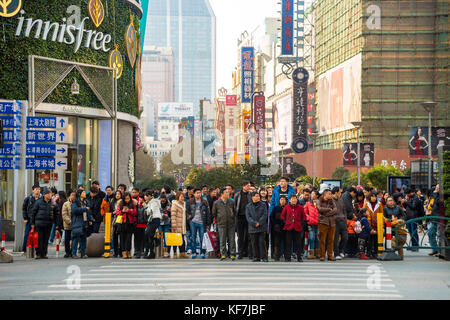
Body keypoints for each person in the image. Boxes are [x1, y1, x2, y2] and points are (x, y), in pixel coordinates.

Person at [186, 188, 212, 259]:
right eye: (197, 193)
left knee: (202, 238)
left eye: (199, 193)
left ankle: (202, 252)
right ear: (194, 194)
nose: (198, 194)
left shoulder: (205, 202)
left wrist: (208, 224)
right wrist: (189, 220)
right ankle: (194, 252)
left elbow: (208, 213)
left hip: (202, 223)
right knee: (193, 238)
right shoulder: (189, 202)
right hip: (193, 222)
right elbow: (187, 212)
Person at [281, 194, 307, 262]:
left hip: (297, 228)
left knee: (298, 243)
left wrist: (301, 223)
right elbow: (282, 216)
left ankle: (299, 257)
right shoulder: (286, 207)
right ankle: (287, 257)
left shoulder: (300, 207)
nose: (294, 200)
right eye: (292, 199)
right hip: (288, 228)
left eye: (295, 199)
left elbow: (304, 217)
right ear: (289, 200)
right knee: (288, 243)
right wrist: (285, 222)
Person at [212, 188, 236, 261]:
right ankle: (223, 254)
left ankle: (232, 254)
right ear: (222, 194)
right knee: (222, 240)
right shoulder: (216, 203)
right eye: (226, 192)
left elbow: (235, 211)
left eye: (228, 192)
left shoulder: (231, 202)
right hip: (221, 223)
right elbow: (214, 213)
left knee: (232, 239)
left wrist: (232, 218)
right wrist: (219, 219)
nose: (228, 193)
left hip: (231, 223)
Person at [30, 187, 55, 259]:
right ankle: (38, 254)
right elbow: (33, 213)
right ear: (44, 194)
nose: (50, 195)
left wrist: (55, 222)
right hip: (39, 224)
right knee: (39, 239)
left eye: (50, 194)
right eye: (49, 194)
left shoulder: (52, 202)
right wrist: (32, 224)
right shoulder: (38, 202)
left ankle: (44, 254)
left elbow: (56, 212)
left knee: (46, 239)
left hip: (48, 224)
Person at [245, 191, 268, 262]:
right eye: (256, 196)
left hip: (262, 226)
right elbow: (248, 217)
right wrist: (254, 223)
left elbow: (265, 214)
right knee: (254, 242)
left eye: (258, 196)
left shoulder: (263, 204)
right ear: (252, 197)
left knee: (262, 242)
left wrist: (259, 222)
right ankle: (256, 257)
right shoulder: (248, 206)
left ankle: (264, 257)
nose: (258, 197)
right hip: (252, 227)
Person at [71, 190, 94, 259]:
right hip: (78, 222)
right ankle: (74, 253)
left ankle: (83, 253)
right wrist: (84, 209)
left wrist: (90, 219)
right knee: (76, 238)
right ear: (79, 194)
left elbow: (88, 211)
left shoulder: (86, 202)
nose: (84, 194)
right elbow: (75, 210)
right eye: (83, 192)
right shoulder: (76, 202)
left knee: (84, 238)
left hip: (85, 222)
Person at [317, 189, 337, 261]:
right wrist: (328, 209)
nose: (331, 195)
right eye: (329, 194)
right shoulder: (319, 200)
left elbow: (335, 210)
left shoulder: (332, 201)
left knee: (331, 240)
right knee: (322, 240)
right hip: (323, 222)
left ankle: (330, 255)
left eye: (331, 194)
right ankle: (322, 255)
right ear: (324, 194)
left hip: (332, 223)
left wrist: (326, 213)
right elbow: (319, 209)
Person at [116, 192, 138, 259]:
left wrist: (129, 211)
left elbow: (135, 213)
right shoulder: (120, 204)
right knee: (122, 239)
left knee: (129, 239)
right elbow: (117, 213)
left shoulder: (133, 204)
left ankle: (128, 251)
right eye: (125, 199)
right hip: (122, 223)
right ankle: (124, 252)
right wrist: (122, 211)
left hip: (130, 224)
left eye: (128, 198)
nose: (127, 200)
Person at [234, 181, 252, 259]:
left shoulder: (250, 195)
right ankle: (240, 253)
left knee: (248, 236)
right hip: (239, 217)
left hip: (248, 218)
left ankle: (247, 252)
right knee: (240, 236)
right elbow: (235, 205)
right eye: (248, 186)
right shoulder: (237, 195)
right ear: (243, 186)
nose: (249, 187)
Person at [21, 184, 41, 253]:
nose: (38, 191)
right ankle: (24, 250)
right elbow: (24, 209)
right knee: (27, 235)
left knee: (38, 236)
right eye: (36, 189)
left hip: (38, 220)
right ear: (33, 190)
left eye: (39, 189)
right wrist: (25, 218)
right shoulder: (28, 199)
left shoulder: (41, 199)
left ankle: (37, 251)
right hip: (29, 220)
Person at [363, 191, 384, 258]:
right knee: (369, 240)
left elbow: (381, 214)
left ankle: (375, 252)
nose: (374, 198)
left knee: (376, 239)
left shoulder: (379, 204)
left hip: (377, 225)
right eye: (372, 196)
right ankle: (368, 252)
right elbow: (363, 213)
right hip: (368, 225)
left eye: (375, 196)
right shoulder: (366, 204)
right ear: (370, 197)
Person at [170, 191, 189, 259]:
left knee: (182, 239)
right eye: (181, 197)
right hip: (177, 224)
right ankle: (175, 253)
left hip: (182, 224)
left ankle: (182, 253)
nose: (182, 198)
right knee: (175, 239)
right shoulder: (175, 204)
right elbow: (173, 215)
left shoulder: (184, 204)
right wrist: (174, 225)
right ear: (178, 197)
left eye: (183, 197)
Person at [144, 191, 162, 259]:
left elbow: (151, 211)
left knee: (148, 234)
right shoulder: (151, 202)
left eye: (145, 196)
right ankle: (151, 252)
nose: (144, 197)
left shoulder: (153, 202)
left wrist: (146, 208)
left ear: (149, 196)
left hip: (154, 219)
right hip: (153, 220)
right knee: (148, 235)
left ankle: (156, 241)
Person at [270, 195, 287, 261]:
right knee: (276, 243)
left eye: (284, 199)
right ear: (279, 201)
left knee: (286, 242)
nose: (282, 201)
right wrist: (275, 224)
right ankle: (276, 256)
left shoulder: (287, 207)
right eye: (281, 199)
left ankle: (286, 256)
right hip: (277, 228)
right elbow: (271, 217)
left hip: (286, 228)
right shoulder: (276, 208)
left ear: (286, 201)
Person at [332, 187, 347, 260]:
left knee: (345, 237)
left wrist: (345, 218)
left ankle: (341, 250)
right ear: (336, 192)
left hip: (343, 221)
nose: (341, 194)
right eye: (340, 192)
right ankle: (336, 253)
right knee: (335, 239)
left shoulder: (341, 200)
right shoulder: (331, 201)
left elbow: (344, 210)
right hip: (335, 222)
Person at [304, 190, 319, 259]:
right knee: (311, 238)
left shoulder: (320, 203)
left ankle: (317, 252)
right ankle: (311, 253)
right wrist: (309, 218)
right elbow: (305, 213)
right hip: (311, 223)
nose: (312, 195)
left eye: (313, 194)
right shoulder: (308, 203)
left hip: (318, 223)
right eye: (311, 194)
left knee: (317, 238)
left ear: (317, 196)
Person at [427, 185, 440, 256]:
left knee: (440, 234)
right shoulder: (434, 196)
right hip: (433, 217)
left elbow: (438, 203)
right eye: (436, 188)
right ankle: (435, 249)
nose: (436, 190)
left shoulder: (441, 195)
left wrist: (435, 193)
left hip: (440, 217)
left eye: (438, 188)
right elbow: (433, 204)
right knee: (430, 233)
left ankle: (441, 251)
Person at [62, 190, 76, 258]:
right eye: (72, 195)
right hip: (68, 225)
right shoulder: (66, 204)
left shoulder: (77, 203)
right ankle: (67, 252)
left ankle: (73, 251)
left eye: (74, 195)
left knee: (74, 239)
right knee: (67, 239)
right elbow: (64, 214)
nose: (73, 196)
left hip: (76, 224)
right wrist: (70, 221)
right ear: (69, 196)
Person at [134, 193, 147, 258]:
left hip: (144, 224)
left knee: (143, 238)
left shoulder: (146, 205)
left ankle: (142, 250)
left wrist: (145, 207)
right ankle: (137, 251)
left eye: (142, 198)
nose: (141, 199)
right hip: (137, 224)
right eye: (140, 198)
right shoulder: (136, 205)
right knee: (137, 238)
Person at [110, 190, 123, 258]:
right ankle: (115, 252)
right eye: (116, 194)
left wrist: (117, 212)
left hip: (121, 219)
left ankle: (121, 252)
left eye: (119, 194)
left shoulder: (123, 201)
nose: (117, 195)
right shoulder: (112, 202)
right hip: (114, 220)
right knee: (114, 236)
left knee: (121, 236)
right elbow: (110, 211)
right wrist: (113, 212)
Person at [159, 194, 171, 258]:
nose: (162, 200)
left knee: (166, 237)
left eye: (164, 199)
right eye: (161, 199)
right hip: (160, 223)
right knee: (160, 237)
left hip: (167, 222)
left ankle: (166, 252)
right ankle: (160, 251)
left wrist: (169, 211)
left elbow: (171, 213)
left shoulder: (169, 204)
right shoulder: (158, 204)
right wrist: (162, 215)